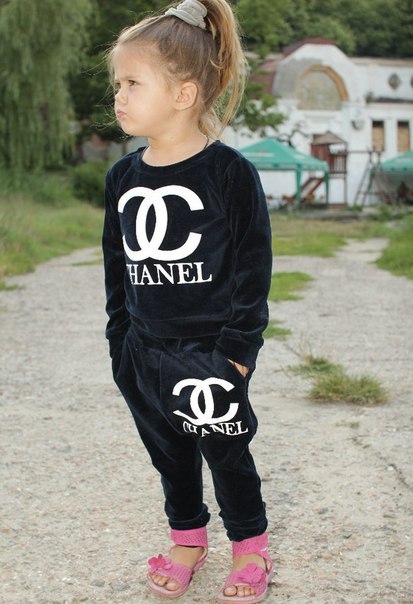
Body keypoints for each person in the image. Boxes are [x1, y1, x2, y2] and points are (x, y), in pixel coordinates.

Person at [102, 0, 273, 601]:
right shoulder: (122, 178)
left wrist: (237, 354)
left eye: (132, 83)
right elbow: (117, 268)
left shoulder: (229, 172)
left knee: (226, 454)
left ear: (183, 94)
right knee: (169, 455)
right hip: (143, 350)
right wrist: (120, 344)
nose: (118, 96)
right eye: (117, 84)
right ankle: (188, 540)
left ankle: (250, 546)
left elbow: (253, 270)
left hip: (210, 351)